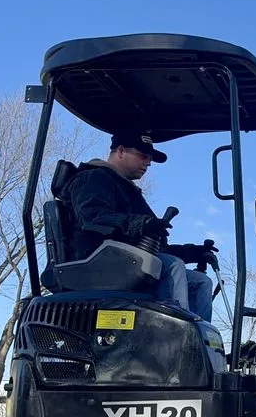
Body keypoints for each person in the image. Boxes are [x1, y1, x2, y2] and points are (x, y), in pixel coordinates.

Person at [60, 132, 217, 321]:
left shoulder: (128, 191)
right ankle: (175, 341)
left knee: (201, 282)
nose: (148, 163)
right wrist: (140, 224)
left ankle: (201, 346)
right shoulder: (93, 178)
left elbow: (151, 247)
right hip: (96, 263)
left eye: (150, 159)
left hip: (125, 263)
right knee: (172, 266)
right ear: (120, 151)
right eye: (143, 156)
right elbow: (92, 217)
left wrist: (193, 253)